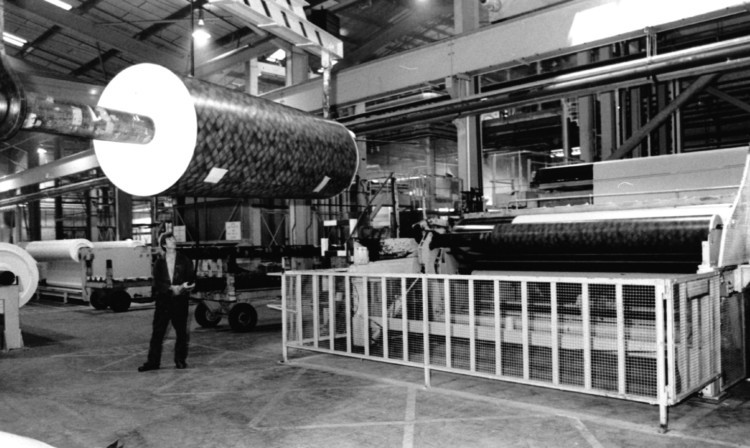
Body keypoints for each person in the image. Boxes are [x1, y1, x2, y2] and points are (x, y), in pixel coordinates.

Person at [138, 232, 195, 371]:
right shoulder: (159, 262)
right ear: (164, 244)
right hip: (164, 302)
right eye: (170, 239)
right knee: (158, 333)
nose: (173, 241)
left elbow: (191, 279)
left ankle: (180, 360)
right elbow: (157, 282)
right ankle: (153, 362)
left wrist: (183, 287)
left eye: (174, 239)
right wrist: (170, 288)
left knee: (181, 332)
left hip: (180, 301)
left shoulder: (185, 260)